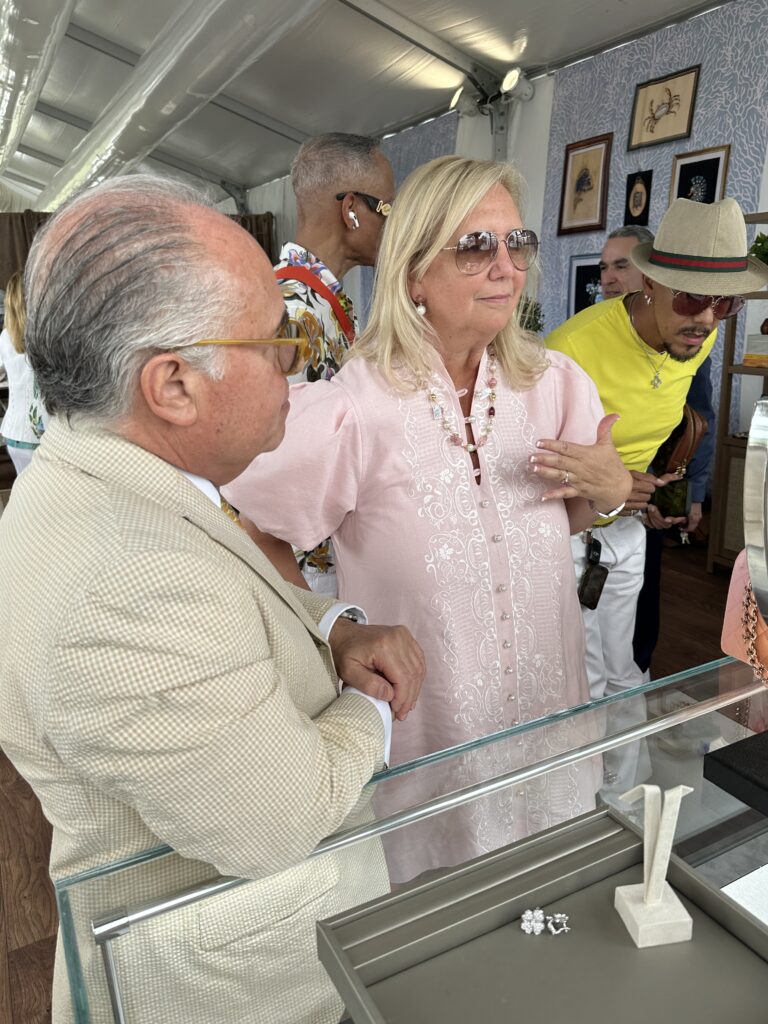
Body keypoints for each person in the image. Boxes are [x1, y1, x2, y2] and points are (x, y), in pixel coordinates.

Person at [0, 175, 426, 1024]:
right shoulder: (122, 586)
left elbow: (227, 594)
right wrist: (371, 706)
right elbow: (281, 816)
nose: (293, 364)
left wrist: (332, 628)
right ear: (173, 386)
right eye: (270, 340)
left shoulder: (113, 475)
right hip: (234, 993)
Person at [224, 155, 631, 881]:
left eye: (518, 243)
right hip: (433, 724)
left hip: (545, 703)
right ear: (414, 274)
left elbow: (566, 517)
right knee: (440, 926)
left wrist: (611, 489)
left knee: (554, 896)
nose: (507, 267)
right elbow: (250, 528)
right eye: (476, 246)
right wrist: (336, 628)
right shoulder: (356, 407)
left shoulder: (555, 384)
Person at [547, 198, 768, 729]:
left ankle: (630, 796)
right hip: (565, 533)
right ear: (651, 283)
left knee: (627, 670)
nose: (708, 318)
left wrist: (669, 490)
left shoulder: (697, 330)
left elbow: (689, 416)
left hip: (628, 529)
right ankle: (586, 798)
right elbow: (530, 464)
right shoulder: (571, 351)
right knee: (583, 679)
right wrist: (616, 485)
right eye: (693, 298)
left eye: (727, 304)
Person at [250, 133, 396, 596]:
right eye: (388, 210)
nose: (394, 226)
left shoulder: (317, 300)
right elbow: (257, 466)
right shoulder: (293, 312)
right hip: (299, 570)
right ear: (352, 209)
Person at [599, 226, 716, 677]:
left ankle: (638, 690)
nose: (609, 277)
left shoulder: (686, 341)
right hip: (592, 506)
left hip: (651, 494)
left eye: (622, 265)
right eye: (605, 267)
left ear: (652, 279)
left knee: (638, 621)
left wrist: (686, 499)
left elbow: (695, 425)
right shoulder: (589, 336)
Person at [0, 271, 44, 475]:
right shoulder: (44, 334)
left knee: (25, 493)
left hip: (13, 432)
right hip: (41, 432)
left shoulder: (5, 336)